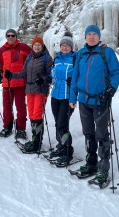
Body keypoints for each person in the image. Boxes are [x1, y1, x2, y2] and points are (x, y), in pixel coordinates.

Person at [69, 24, 119, 185]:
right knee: (88, 133)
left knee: (101, 135)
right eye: (89, 34)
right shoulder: (80, 54)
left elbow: (116, 73)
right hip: (83, 100)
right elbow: (75, 76)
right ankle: (90, 163)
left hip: (101, 100)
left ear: (99, 37)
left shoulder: (107, 52)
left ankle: (104, 168)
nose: (91, 36)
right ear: (85, 37)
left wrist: (111, 89)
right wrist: (72, 97)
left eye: (94, 34)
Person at [4, 36, 53, 153]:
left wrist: (43, 79)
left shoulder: (47, 58)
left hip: (41, 90)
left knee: (37, 115)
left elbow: (51, 75)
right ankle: (34, 139)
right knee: (31, 115)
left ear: (42, 46)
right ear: (32, 46)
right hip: (29, 89)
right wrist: (12, 75)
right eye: (35, 45)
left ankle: (37, 143)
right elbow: (23, 73)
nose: (37, 47)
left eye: (39, 45)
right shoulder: (30, 57)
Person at [0, 29, 32, 139]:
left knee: (20, 107)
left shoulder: (24, 47)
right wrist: (0, 72)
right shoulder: (2, 49)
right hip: (7, 83)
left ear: (16, 36)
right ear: (6, 37)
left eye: (13, 35)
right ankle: (7, 127)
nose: (10, 37)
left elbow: (33, 57)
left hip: (20, 82)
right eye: (8, 35)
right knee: (7, 106)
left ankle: (21, 129)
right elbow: (1, 64)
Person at [48, 32, 76, 165]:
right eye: (63, 45)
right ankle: (61, 145)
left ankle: (68, 151)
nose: (65, 47)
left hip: (67, 97)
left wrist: (73, 81)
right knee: (57, 123)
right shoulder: (56, 59)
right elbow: (53, 76)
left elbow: (80, 76)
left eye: (67, 45)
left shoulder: (75, 59)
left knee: (63, 125)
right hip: (55, 96)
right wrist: (47, 79)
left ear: (71, 47)